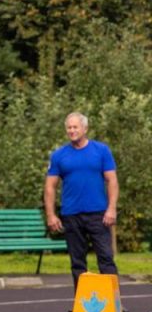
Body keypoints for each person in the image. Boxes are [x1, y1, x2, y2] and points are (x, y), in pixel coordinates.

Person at [44, 112, 119, 294]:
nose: (72, 130)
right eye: (69, 127)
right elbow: (50, 187)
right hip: (71, 215)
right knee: (77, 261)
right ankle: (82, 304)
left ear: (85, 128)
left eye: (75, 127)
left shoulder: (101, 151)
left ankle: (114, 302)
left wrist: (111, 208)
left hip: (99, 214)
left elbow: (112, 181)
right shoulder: (59, 155)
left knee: (106, 258)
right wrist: (51, 215)